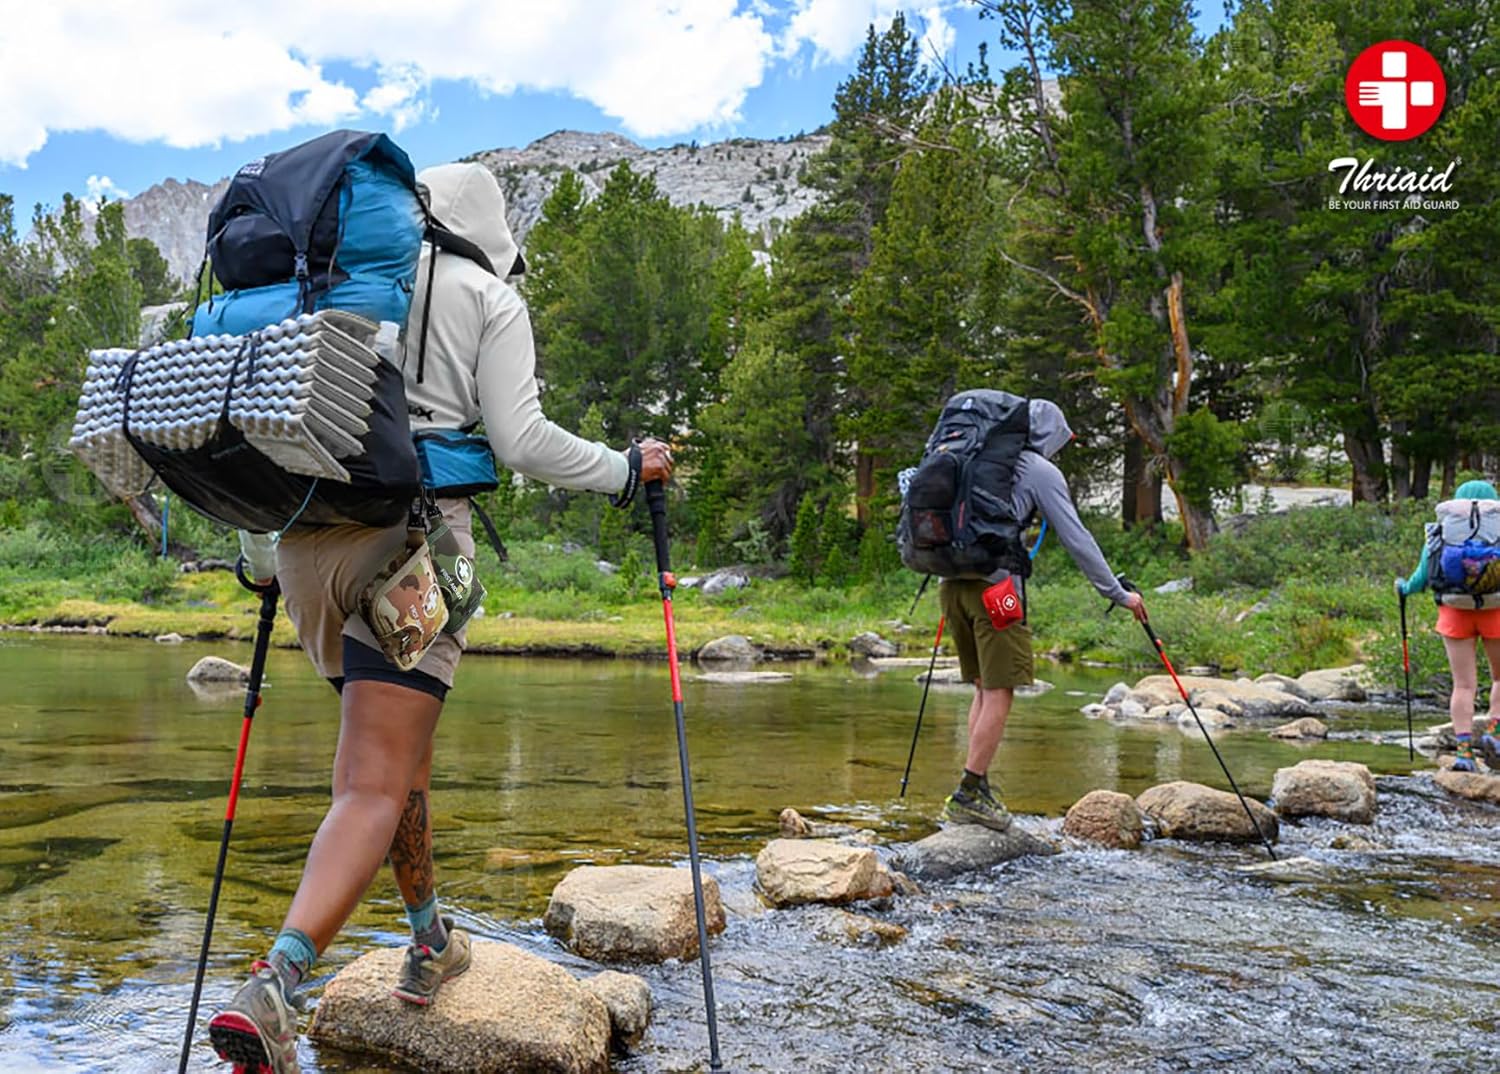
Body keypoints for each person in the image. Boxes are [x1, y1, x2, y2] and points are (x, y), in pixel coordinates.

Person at [207, 162, 673, 1074]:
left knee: (396, 769)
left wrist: (262, 561)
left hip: (303, 553)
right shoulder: (487, 297)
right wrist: (626, 471)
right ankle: (276, 985)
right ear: (489, 234)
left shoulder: (332, 287)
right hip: (412, 553)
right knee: (371, 785)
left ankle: (430, 940)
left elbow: (272, 437)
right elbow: (522, 441)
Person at [938, 399, 1146, 830]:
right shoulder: (1038, 470)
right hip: (998, 592)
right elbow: (1077, 538)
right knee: (1002, 688)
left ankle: (976, 785)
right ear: (1048, 435)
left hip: (951, 586)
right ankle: (969, 793)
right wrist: (1117, 593)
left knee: (983, 687)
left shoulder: (969, 458)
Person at [1395, 478, 1500, 774]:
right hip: (1496, 611)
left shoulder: (1444, 530)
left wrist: (1403, 588)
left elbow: (1421, 577)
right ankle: (1494, 732)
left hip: (1455, 613)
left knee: (1463, 685)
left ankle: (1464, 754)